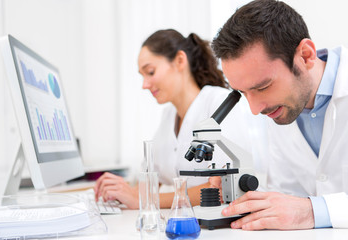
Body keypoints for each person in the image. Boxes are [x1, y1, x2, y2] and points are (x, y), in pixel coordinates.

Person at [210, 0, 348, 231]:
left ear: (305, 55)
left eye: (263, 87)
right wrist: (243, 195)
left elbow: (305, 208)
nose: (255, 109)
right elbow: (289, 195)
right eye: (244, 93)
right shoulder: (282, 106)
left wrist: (313, 212)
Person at [94, 29, 252, 209]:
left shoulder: (220, 103)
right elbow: (148, 182)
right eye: (142, 76)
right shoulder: (168, 115)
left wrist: (147, 201)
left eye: (151, 72)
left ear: (180, 61)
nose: (145, 85)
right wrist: (119, 189)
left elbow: (225, 188)